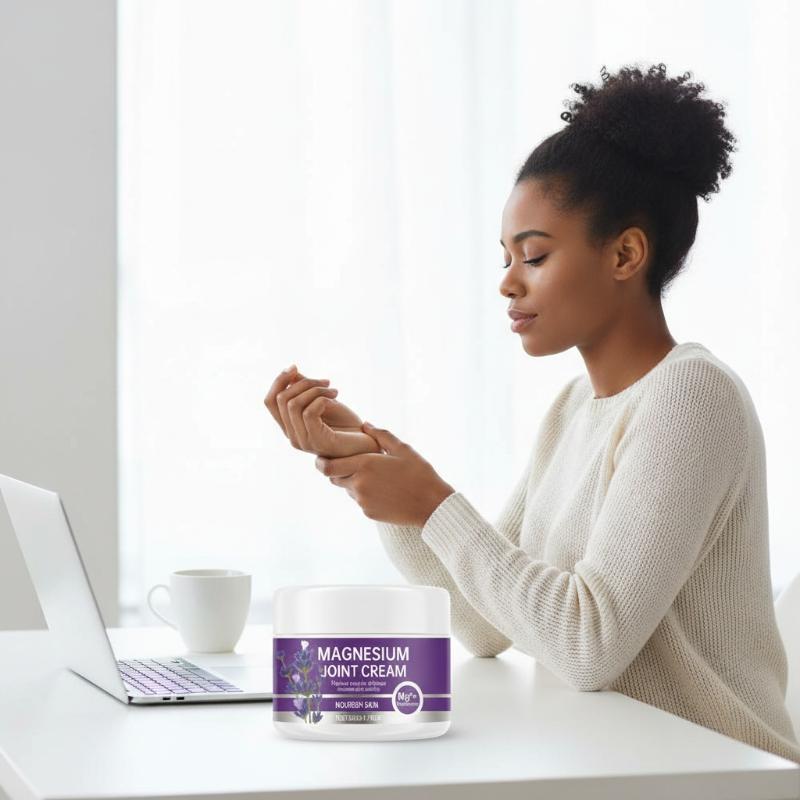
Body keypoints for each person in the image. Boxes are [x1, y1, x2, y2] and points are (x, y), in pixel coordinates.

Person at [263, 62, 800, 763]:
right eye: (506, 259)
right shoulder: (574, 408)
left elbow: (587, 646)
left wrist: (431, 503)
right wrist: (366, 461)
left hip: (723, 773)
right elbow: (486, 624)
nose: (508, 284)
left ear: (626, 254)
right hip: (618, 763)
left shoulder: (693, 398)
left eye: (535, 256)